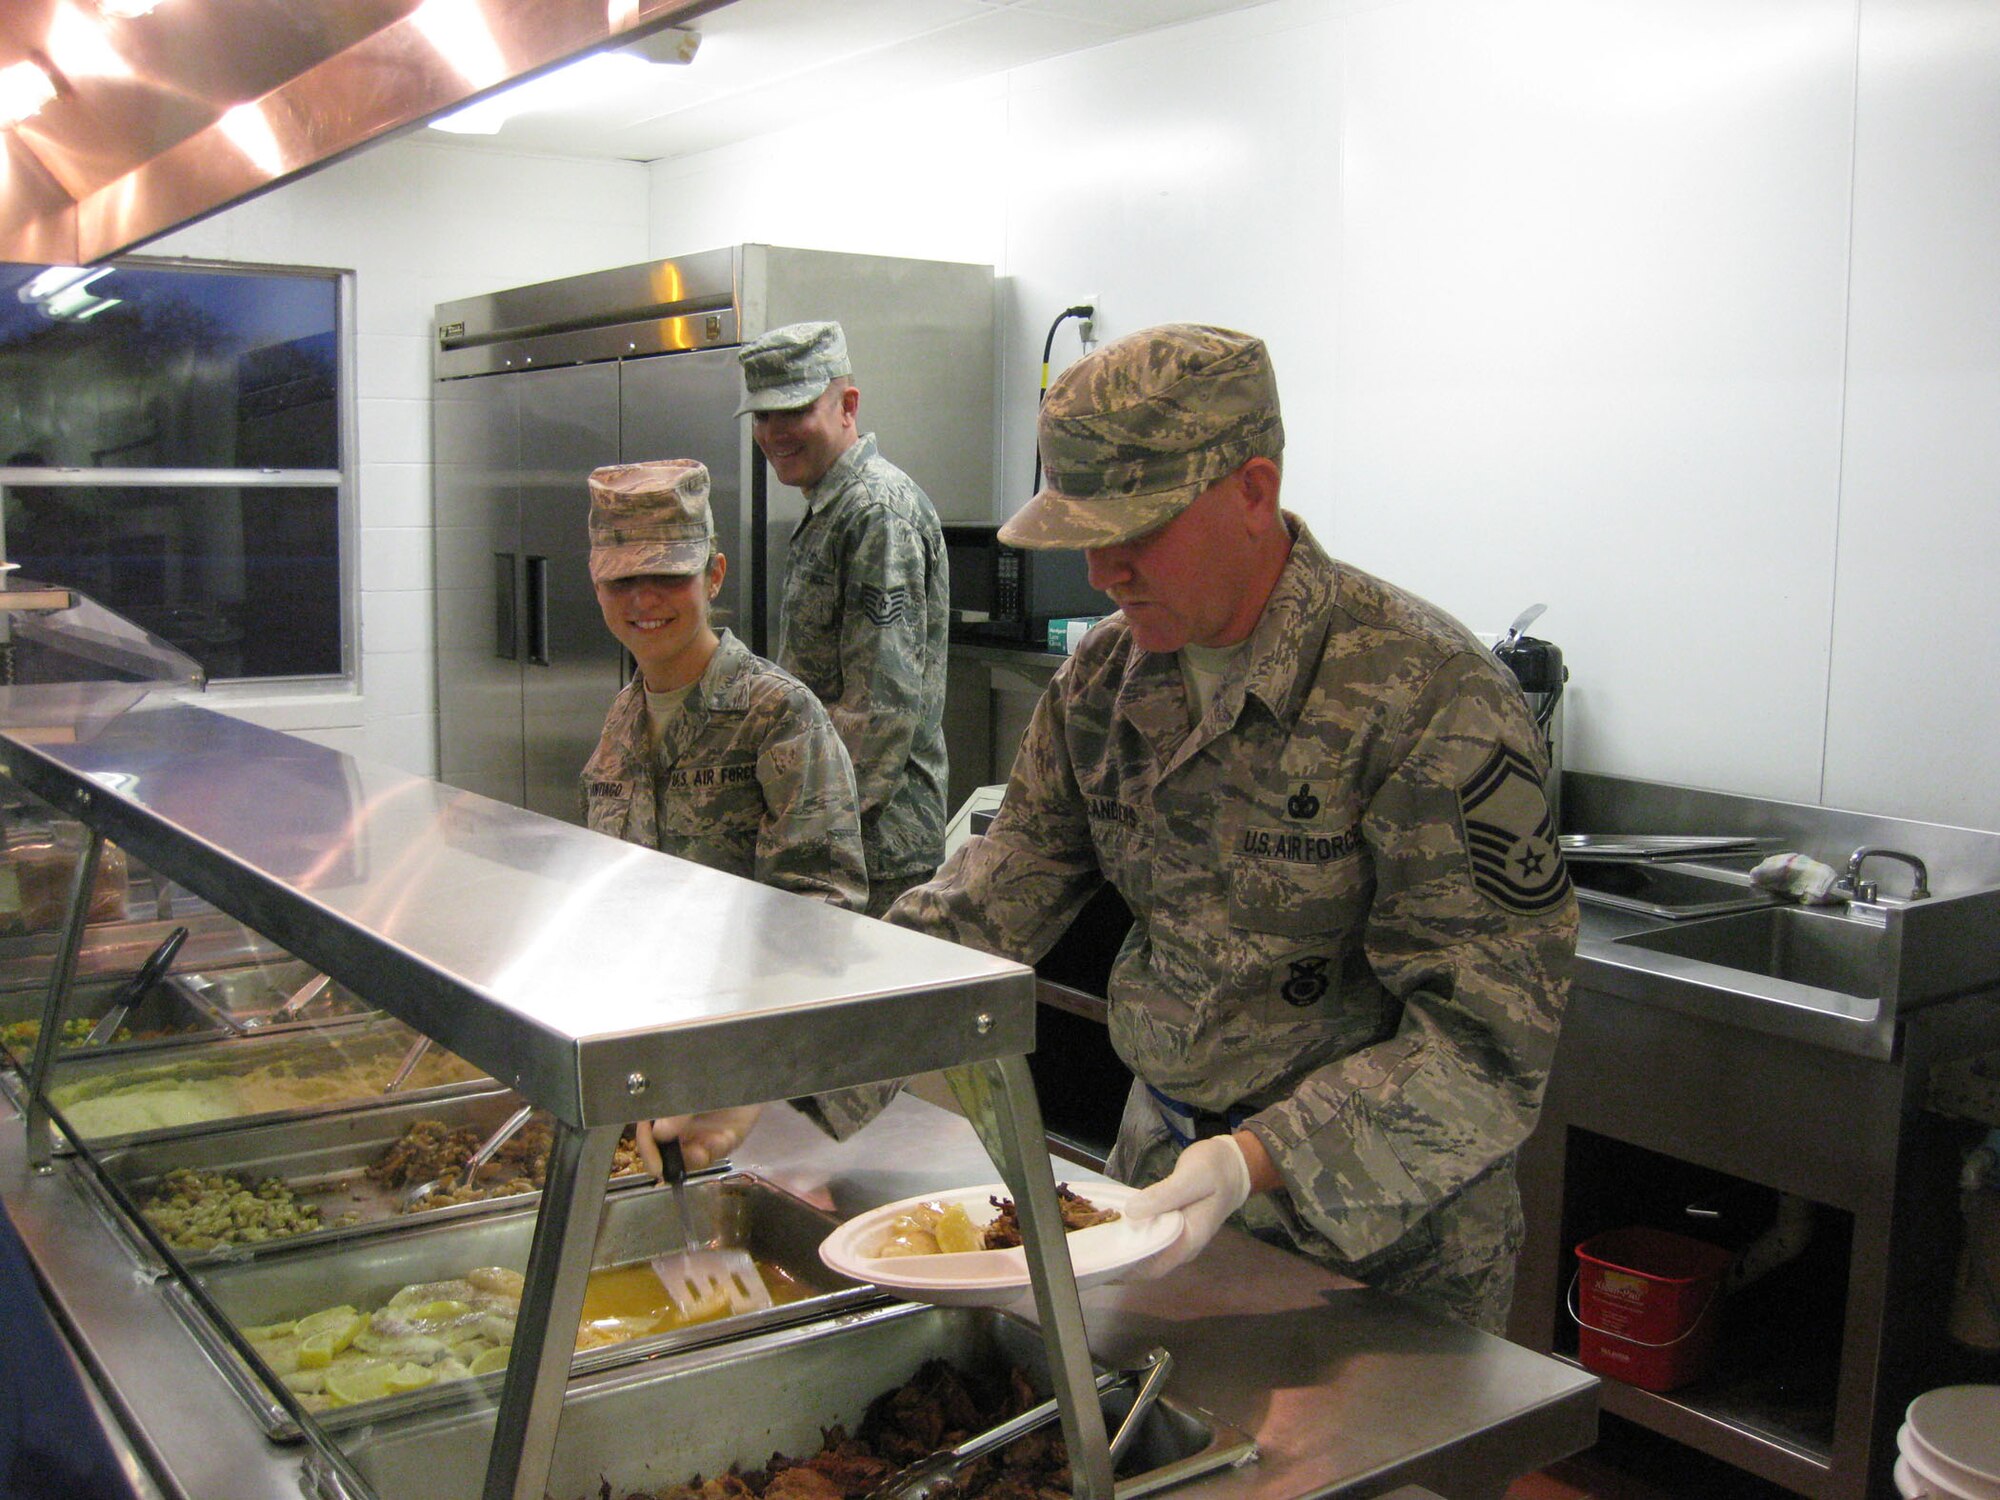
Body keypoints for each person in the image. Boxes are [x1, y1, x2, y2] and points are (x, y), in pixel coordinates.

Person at [813, 324, 1576, 1332]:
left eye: (1136, 530)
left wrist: (1256, 1159)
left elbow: (1485, 1044)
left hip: (1381, 1252)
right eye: (1081, 534)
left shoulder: (1424, 698)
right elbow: (990, 896)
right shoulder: (1104, 685)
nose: (1101, 572)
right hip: (1153, 1187)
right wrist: (794, 1069)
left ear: (1252, 491)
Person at [577, 458, 867, 1174]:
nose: (643, 598)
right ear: (596, 586)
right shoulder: (621, 720)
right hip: (650, 1067)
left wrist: (741, 1061)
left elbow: (823, 909)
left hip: (764, 1082)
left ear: (713, 575)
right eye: (621, 579)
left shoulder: (777, 714)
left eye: (668, 575)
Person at [735, 321, 949, 917]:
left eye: (793, 411)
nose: (774, 433)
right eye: (761, 417)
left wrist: (804, 831)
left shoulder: (876, 513)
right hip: (832, 832)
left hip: (870, 849)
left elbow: (878, 713)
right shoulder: (833, 507)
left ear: (847, 404)